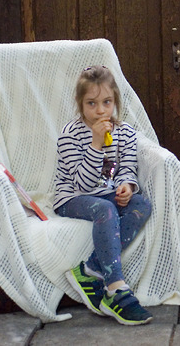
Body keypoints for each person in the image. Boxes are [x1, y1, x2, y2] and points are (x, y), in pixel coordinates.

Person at [53, 65, 153, 325]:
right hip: (72, 198)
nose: (100, 110)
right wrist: (96, 144)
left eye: (107, 102)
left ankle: (91, 268)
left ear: (115, 101)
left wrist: (126, 187)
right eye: (91, 103)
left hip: (106, 196)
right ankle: (115, 287)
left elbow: (127, 168)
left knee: (141, 204)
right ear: (80, 103)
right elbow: (82, 186)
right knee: (105, 210)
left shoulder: (126, 133)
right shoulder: (69, 135)